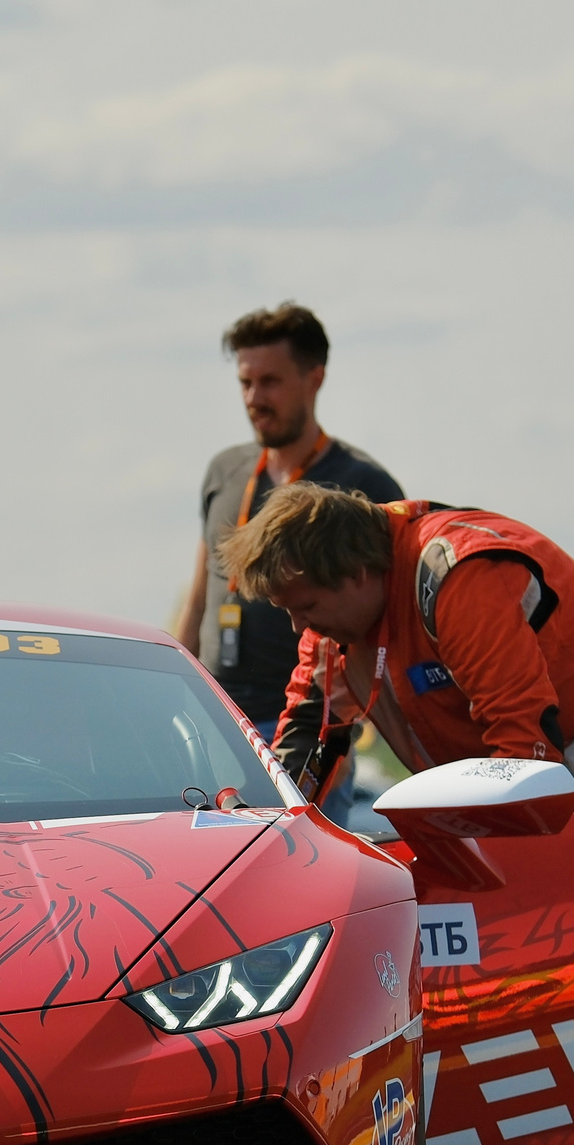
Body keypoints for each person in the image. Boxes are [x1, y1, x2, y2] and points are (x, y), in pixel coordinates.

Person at [225, 485, 574, 1145]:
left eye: (307, 606)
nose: (300, 627)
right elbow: (305, 746)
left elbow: (527, 757)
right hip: (478, 757)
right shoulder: (339, 623)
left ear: (358, 572)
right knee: (492, 950)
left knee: (532, 953)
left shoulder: (457, 576)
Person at [175, 302, 404, 822]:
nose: (256, 398)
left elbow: (384, 619)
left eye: (271, 381)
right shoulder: (225, 470)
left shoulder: (361, 484)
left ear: (314, 378)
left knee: (302, 868)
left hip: (303, 721)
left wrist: (346, 727)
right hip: (214, 721)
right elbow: (199, 596)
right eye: (246, 383)